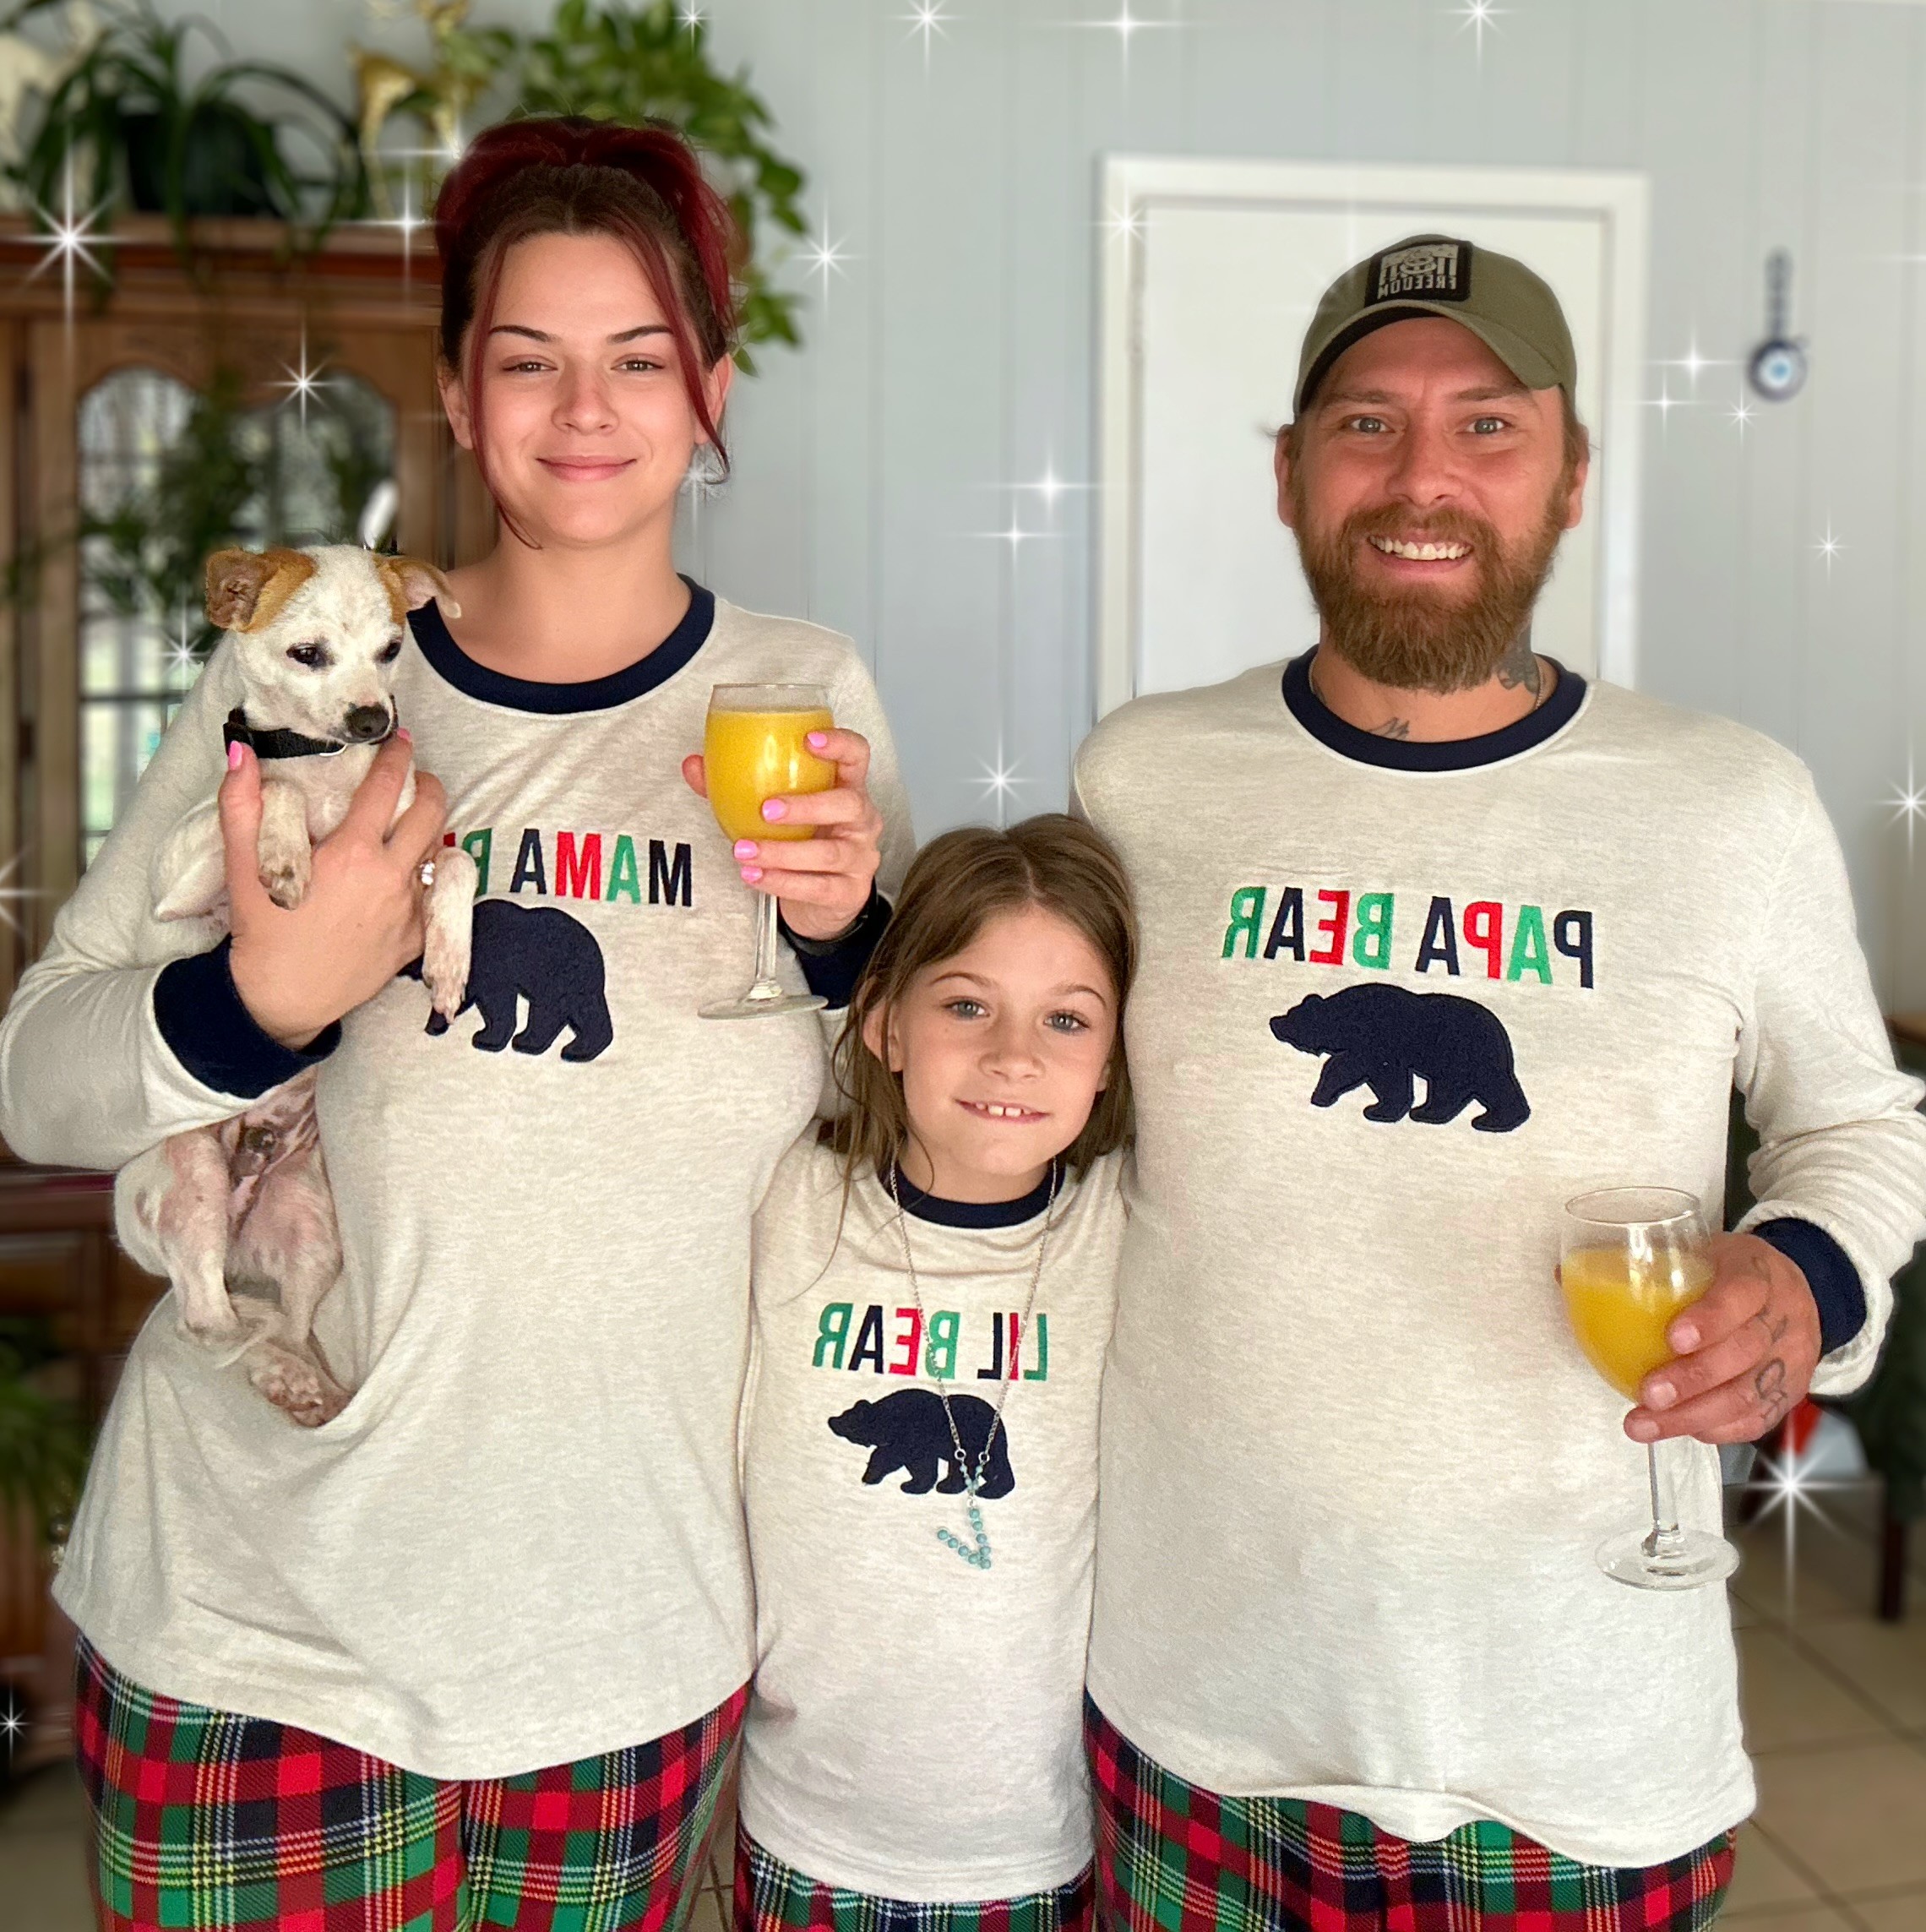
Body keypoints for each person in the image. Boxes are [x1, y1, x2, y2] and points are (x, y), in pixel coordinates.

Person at [0, 117, 911, 1931]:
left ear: (712, 391)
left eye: (639, 357)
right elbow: (37, 1079)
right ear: (457, 393)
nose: (586, 409)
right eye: (529, 359)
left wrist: (851, 942)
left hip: (625, 1642)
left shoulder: (800, 695)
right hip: (259, 1622)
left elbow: (892, 1121)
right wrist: (260, 1000)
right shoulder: (318, 664)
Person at [1071, 235, 1926, 1929]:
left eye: (1487, 425)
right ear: (1290, 474)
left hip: (1581, 1733)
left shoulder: (1728, 804)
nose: (1422, 478)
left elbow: (1857, 1125)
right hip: (1199, 1708)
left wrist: (1806, 1278)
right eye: (1367, 424)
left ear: (1572, 473)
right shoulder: (1143, 779)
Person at [735, 815, 1135, 1932]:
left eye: (1067, 1020)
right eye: (966, 1006)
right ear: (883, 1024)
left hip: (1032, 1843)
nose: (1014, 1056)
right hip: (803, 1822)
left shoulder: (1124, 1229)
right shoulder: (787, 1203)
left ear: (1111, 1063)